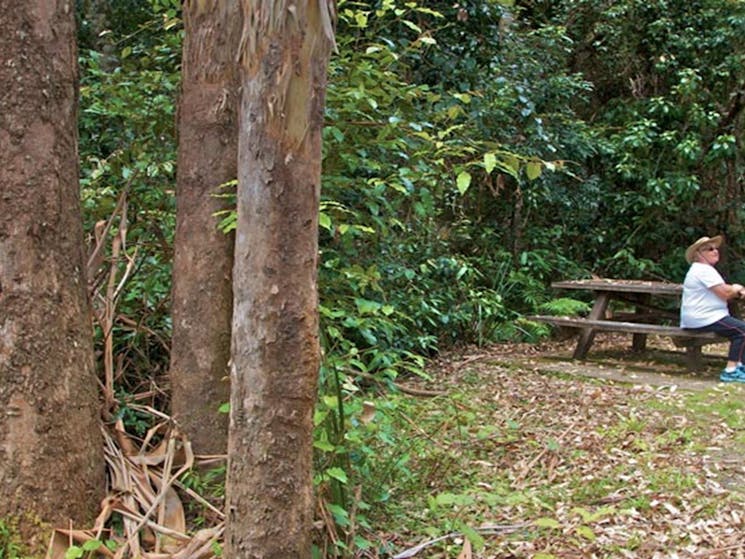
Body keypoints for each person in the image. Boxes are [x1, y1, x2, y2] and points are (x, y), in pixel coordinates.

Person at [680, 235, 745, 382]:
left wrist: (736, 289)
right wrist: (737, 288)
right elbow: (725, 293)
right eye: (710, 249)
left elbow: (721, 288)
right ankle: (731, 370)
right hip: (703, 317)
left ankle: (740, 366)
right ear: (698, 254)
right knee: (742, 330)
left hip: (702, 317)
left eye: (716, 248)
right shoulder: (703, 270)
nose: (715, 251)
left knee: (740, 328)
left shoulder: (703, 270)